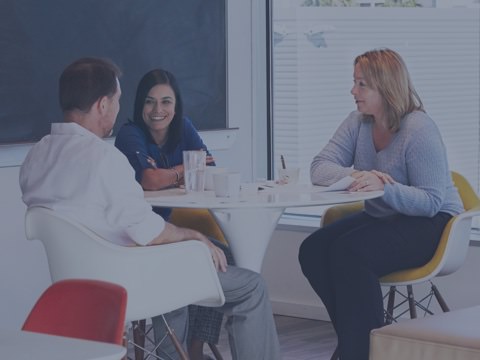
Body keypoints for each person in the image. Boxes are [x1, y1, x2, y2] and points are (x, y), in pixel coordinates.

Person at [19, 57, 281, 360]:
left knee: (186, 259)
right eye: (117, 100)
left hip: (73, 283)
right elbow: (150, 232)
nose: (118, 109)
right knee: (252, 288)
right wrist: (195, 236)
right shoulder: (103, 160)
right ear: (103, 104)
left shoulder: (37, 157)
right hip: (130, 280)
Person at [298, 48, 464, 360]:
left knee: (349, 253)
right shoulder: (357, 122)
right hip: (387, 215)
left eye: (362, 84)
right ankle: (358, 343)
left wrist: (384, 187)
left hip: (435, 221)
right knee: (314, 249)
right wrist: (362, 175)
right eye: (354, 82)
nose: (353, 91)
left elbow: (431, 200)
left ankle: (358, 350)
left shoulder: (419, 129)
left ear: (385, 87)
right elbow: (320, 166)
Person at [115, 68, 232, 360]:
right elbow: (149, 180)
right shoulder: (130, 134)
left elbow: (211, 167)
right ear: (139, 104)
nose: (158, 110)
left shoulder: (184, 127)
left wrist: (169, 172)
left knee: (222, 256)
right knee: (199, 261)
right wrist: (185, 169)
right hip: (145, 235)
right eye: (150, 102)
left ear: (176, 105)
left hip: (170, 228)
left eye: (166, 102)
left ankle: (193, 351)